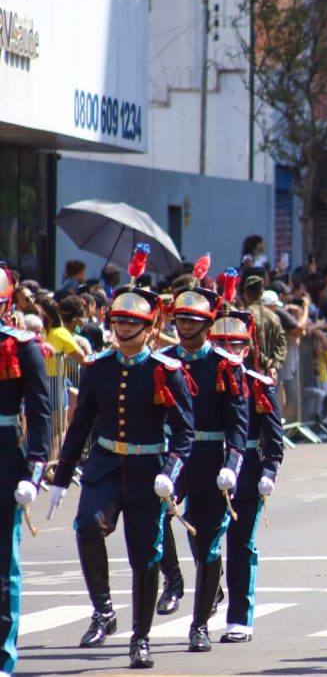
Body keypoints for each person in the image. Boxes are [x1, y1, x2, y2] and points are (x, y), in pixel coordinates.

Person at [47, 284, 194, 670]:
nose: (125, 328)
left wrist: (171, 472)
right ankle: (103, 611)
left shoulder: (166, 371)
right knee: (87, 525)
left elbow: (184, 432)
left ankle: (140, 638)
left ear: (148, 328)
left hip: (148, 470)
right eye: (119, 321)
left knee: (145, 556)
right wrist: (62, 476)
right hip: (106, 465)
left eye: (133, 322)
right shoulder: (99, 367)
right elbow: (81, 424)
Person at [163, 282, 249, 652]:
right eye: (180, 319)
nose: (184, 326)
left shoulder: (224, 365)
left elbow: (238, 425)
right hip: (171, 457)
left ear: (208, 324)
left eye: (192, 320)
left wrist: (231, 465)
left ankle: (199, 625)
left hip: (210, 458)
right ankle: (173, 580)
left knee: (208, 545)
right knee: (153, 517)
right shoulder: (163, 361)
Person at [209, 309, 285, 643]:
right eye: (219, 345)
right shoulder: (199, 381)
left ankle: (239, 619)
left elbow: (274, 438)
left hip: (247, 471)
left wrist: (269, 470)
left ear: (246, 347)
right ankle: (211, 584)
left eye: (235, 345)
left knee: (241, 546)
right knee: (204, 541)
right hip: (207, 466)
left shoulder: (257, 384)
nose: (227, 352)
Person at [0, 263, 52, 677]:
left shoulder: (21, 346)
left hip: (3, 457)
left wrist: (34, 470)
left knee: (3, 564)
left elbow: (40, 413)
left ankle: (2, 655)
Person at [241, 274, 286, 381]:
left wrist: (267, 363)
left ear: (245, 293)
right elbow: (282, 344)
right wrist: (274, 365)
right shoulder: (274, 317)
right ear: (261, 293)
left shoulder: (245, 316)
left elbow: (248, 345)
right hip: (270, 374)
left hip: (249, 374)